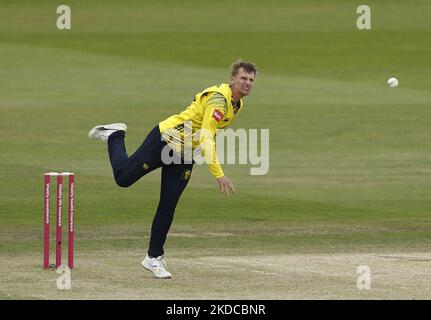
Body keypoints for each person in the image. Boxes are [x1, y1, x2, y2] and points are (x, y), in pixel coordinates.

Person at [88, 60, 257, 278]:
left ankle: (153, 258)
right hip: (165, 141)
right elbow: (207, 135)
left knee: (168, 204)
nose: (248, 83)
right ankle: (115, 135)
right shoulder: (218, 100)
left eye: (251, 80)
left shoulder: (237, 104)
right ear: (232, 79)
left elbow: (205, 134)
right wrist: (219, 174)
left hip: (185, 154)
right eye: (243, 78)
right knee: (123, 178)